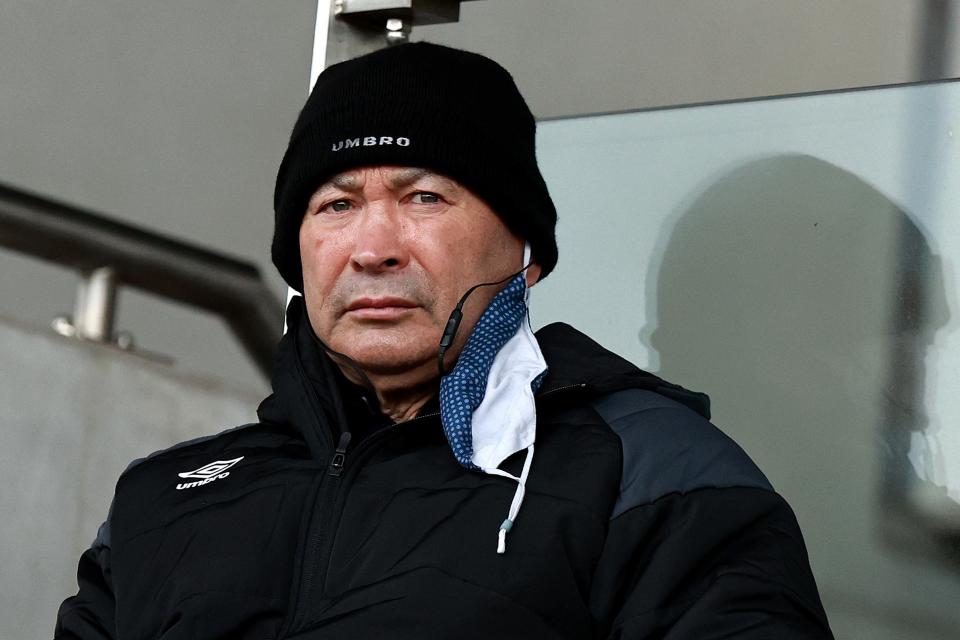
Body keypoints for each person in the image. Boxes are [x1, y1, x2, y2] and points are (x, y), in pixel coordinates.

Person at [55, 43, 833, 639]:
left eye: (423, 196)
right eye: (336, 204)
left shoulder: (652, 472)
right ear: (299, 252)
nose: (373, 247)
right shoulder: (164, 500)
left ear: (525, 253)